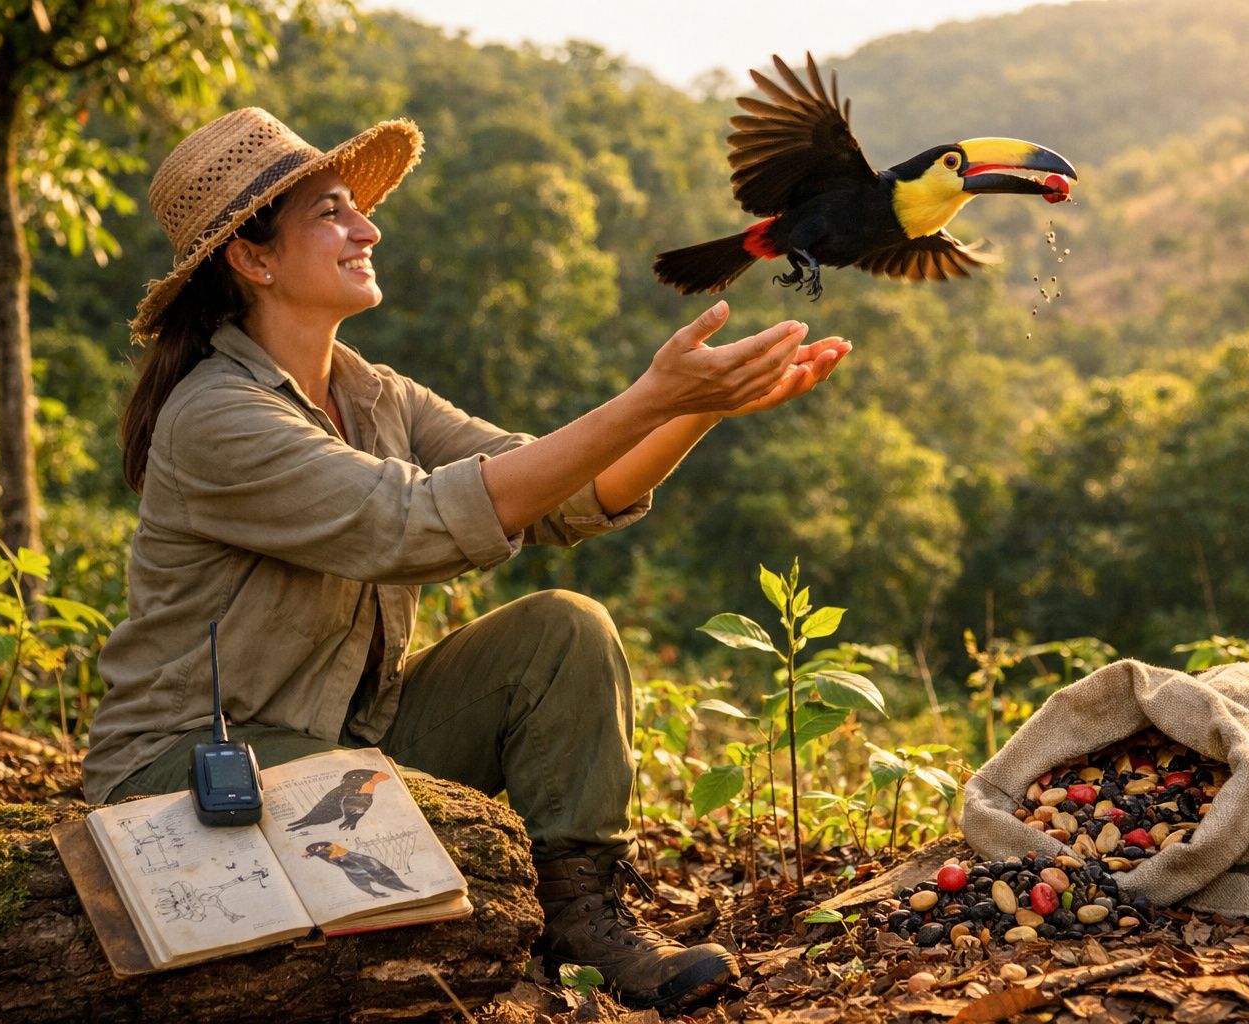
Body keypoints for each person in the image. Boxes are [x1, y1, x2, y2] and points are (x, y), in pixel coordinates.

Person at [80, 106, 849, 1009]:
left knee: (563, 632)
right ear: (252, 259)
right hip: (188, 760)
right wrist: (647, 398)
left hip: (341, 737)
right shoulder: (217, 416)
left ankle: (580, 923)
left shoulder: (374, 394)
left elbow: (561, 493)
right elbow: (413, 523)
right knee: (399, 829)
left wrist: (698, 406)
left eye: (355, 209)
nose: (367, 227)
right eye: (331, 213)